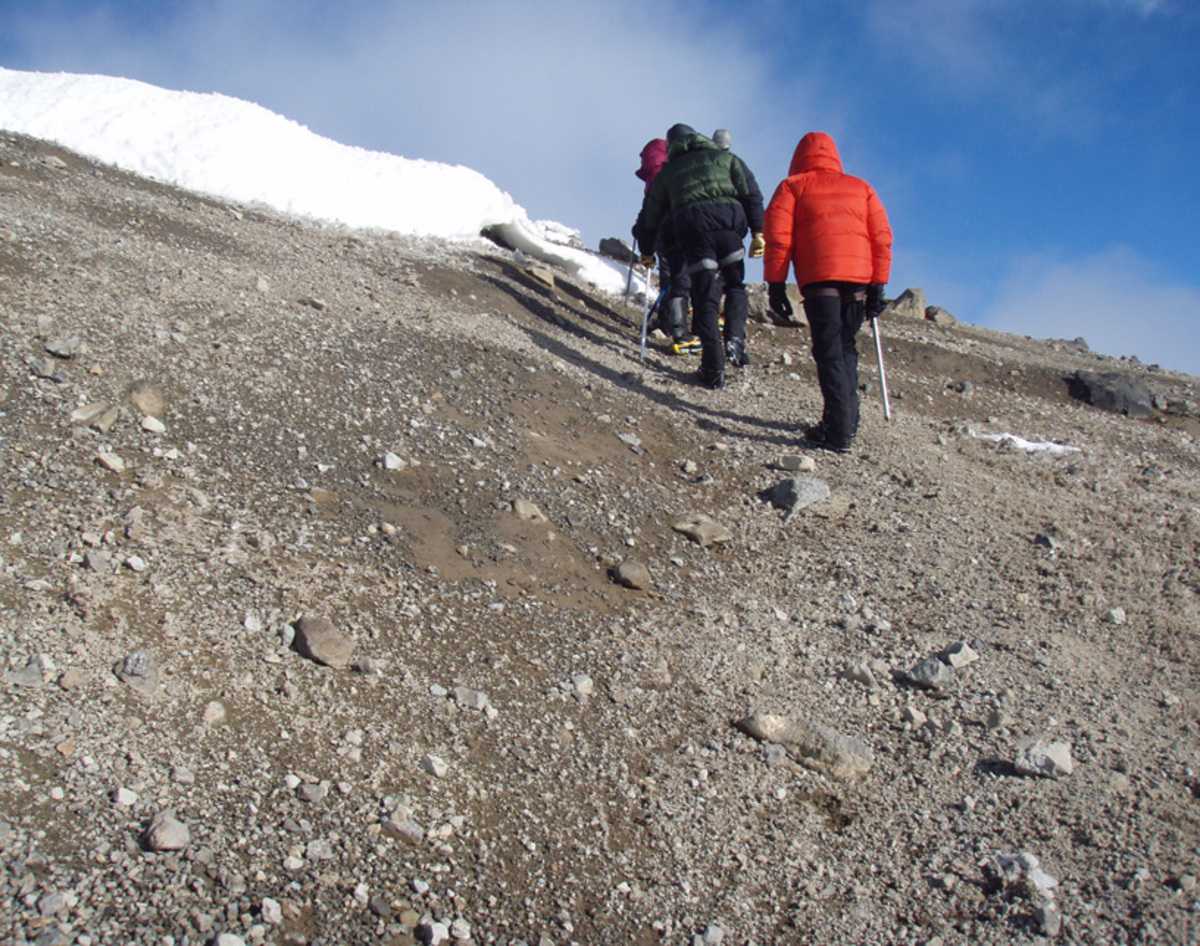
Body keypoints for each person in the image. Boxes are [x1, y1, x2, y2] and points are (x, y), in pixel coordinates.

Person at [763, 131, 892, 452]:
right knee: (845, 347)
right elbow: (881, 238)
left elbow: (779, 240)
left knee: (828, 351)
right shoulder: (861, 188)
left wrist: (775, 285)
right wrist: (879, 285)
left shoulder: (792, 187)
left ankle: (838, 431)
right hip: (858, 284)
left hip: (820, 280)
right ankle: (847, 420)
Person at [634, 124, 765, 389]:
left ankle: (713, 368)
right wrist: (759, 231)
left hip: (694, 232)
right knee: (735, 284)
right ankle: (735, 340)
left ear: (672, 146)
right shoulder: (726, 159)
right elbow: (752, 194)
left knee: (704, 296)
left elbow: (651, 215)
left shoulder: (669, 172)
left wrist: (647, 251)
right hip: (730, 227)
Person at [632, 138, 695, 352]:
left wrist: (642, 236)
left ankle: (667, 320)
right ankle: (674, 324)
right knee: (680, 278)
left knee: (671, 277)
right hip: (681, 229)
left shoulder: (653, 179)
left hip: (661, 233)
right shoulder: (678, 171)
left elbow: (649, 210)